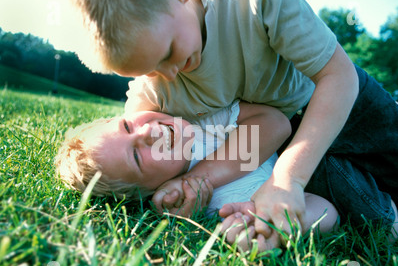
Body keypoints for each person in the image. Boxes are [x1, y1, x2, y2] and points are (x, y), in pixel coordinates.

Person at [72, 0, 398, 245]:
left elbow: (337, 75)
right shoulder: (154, 92)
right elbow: (136, 163)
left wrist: (286, 181)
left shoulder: (255, 2)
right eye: (149, 69)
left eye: (166, 53)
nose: (168, 74)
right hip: (286, 145)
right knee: (382, 220)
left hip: (342, 103)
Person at [55, 101, 339, 251]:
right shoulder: (215, 206)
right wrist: (271, 223)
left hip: (324, 130)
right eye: (137, 156)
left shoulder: (204, 123)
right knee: (371, 206)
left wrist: (204, 176)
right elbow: (328, 211)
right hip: (334, 175)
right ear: (149, 192)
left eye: (127, 125)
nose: (147, 132)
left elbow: (277, 123)